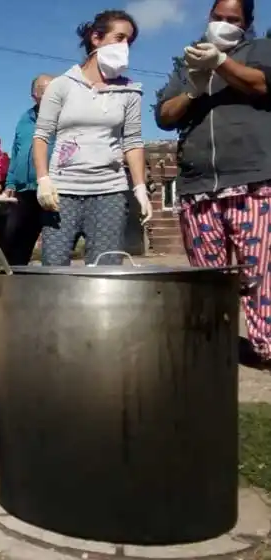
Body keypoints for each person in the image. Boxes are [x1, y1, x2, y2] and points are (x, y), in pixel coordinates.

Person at [155, 0, 271, 365]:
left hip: (252, 180)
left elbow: (262, 84)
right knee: (208, 278)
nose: (223, 23)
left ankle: (266, 349)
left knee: (260, 276)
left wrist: (222, 63)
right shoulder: (187, 58)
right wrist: (193, 88)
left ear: (247, 23)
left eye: (232, 19)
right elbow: (164, 116)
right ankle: (213, 348)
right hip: (197, 186)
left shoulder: (261, 50)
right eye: (217, 17)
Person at [33, 10, 152, 266]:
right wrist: (43, 179)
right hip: (62, 191)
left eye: (129, 42)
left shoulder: (130, 91)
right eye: (119, 38)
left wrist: (140, 187)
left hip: (110, 191)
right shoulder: (62, 85)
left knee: (105, 271)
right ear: (96, 38)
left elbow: (132, 141)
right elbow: (42, 136)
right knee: (54, 269)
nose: (124, 47)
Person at [4, 74, 54, 266]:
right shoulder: (24, 119)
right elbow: (16, 151)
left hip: (52, 190)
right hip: (24, 191)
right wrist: (10, 181)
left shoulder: (64, 117)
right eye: (44, 91)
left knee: (53, 247)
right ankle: (17, 284)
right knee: (15, 244)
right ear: (34, 94)